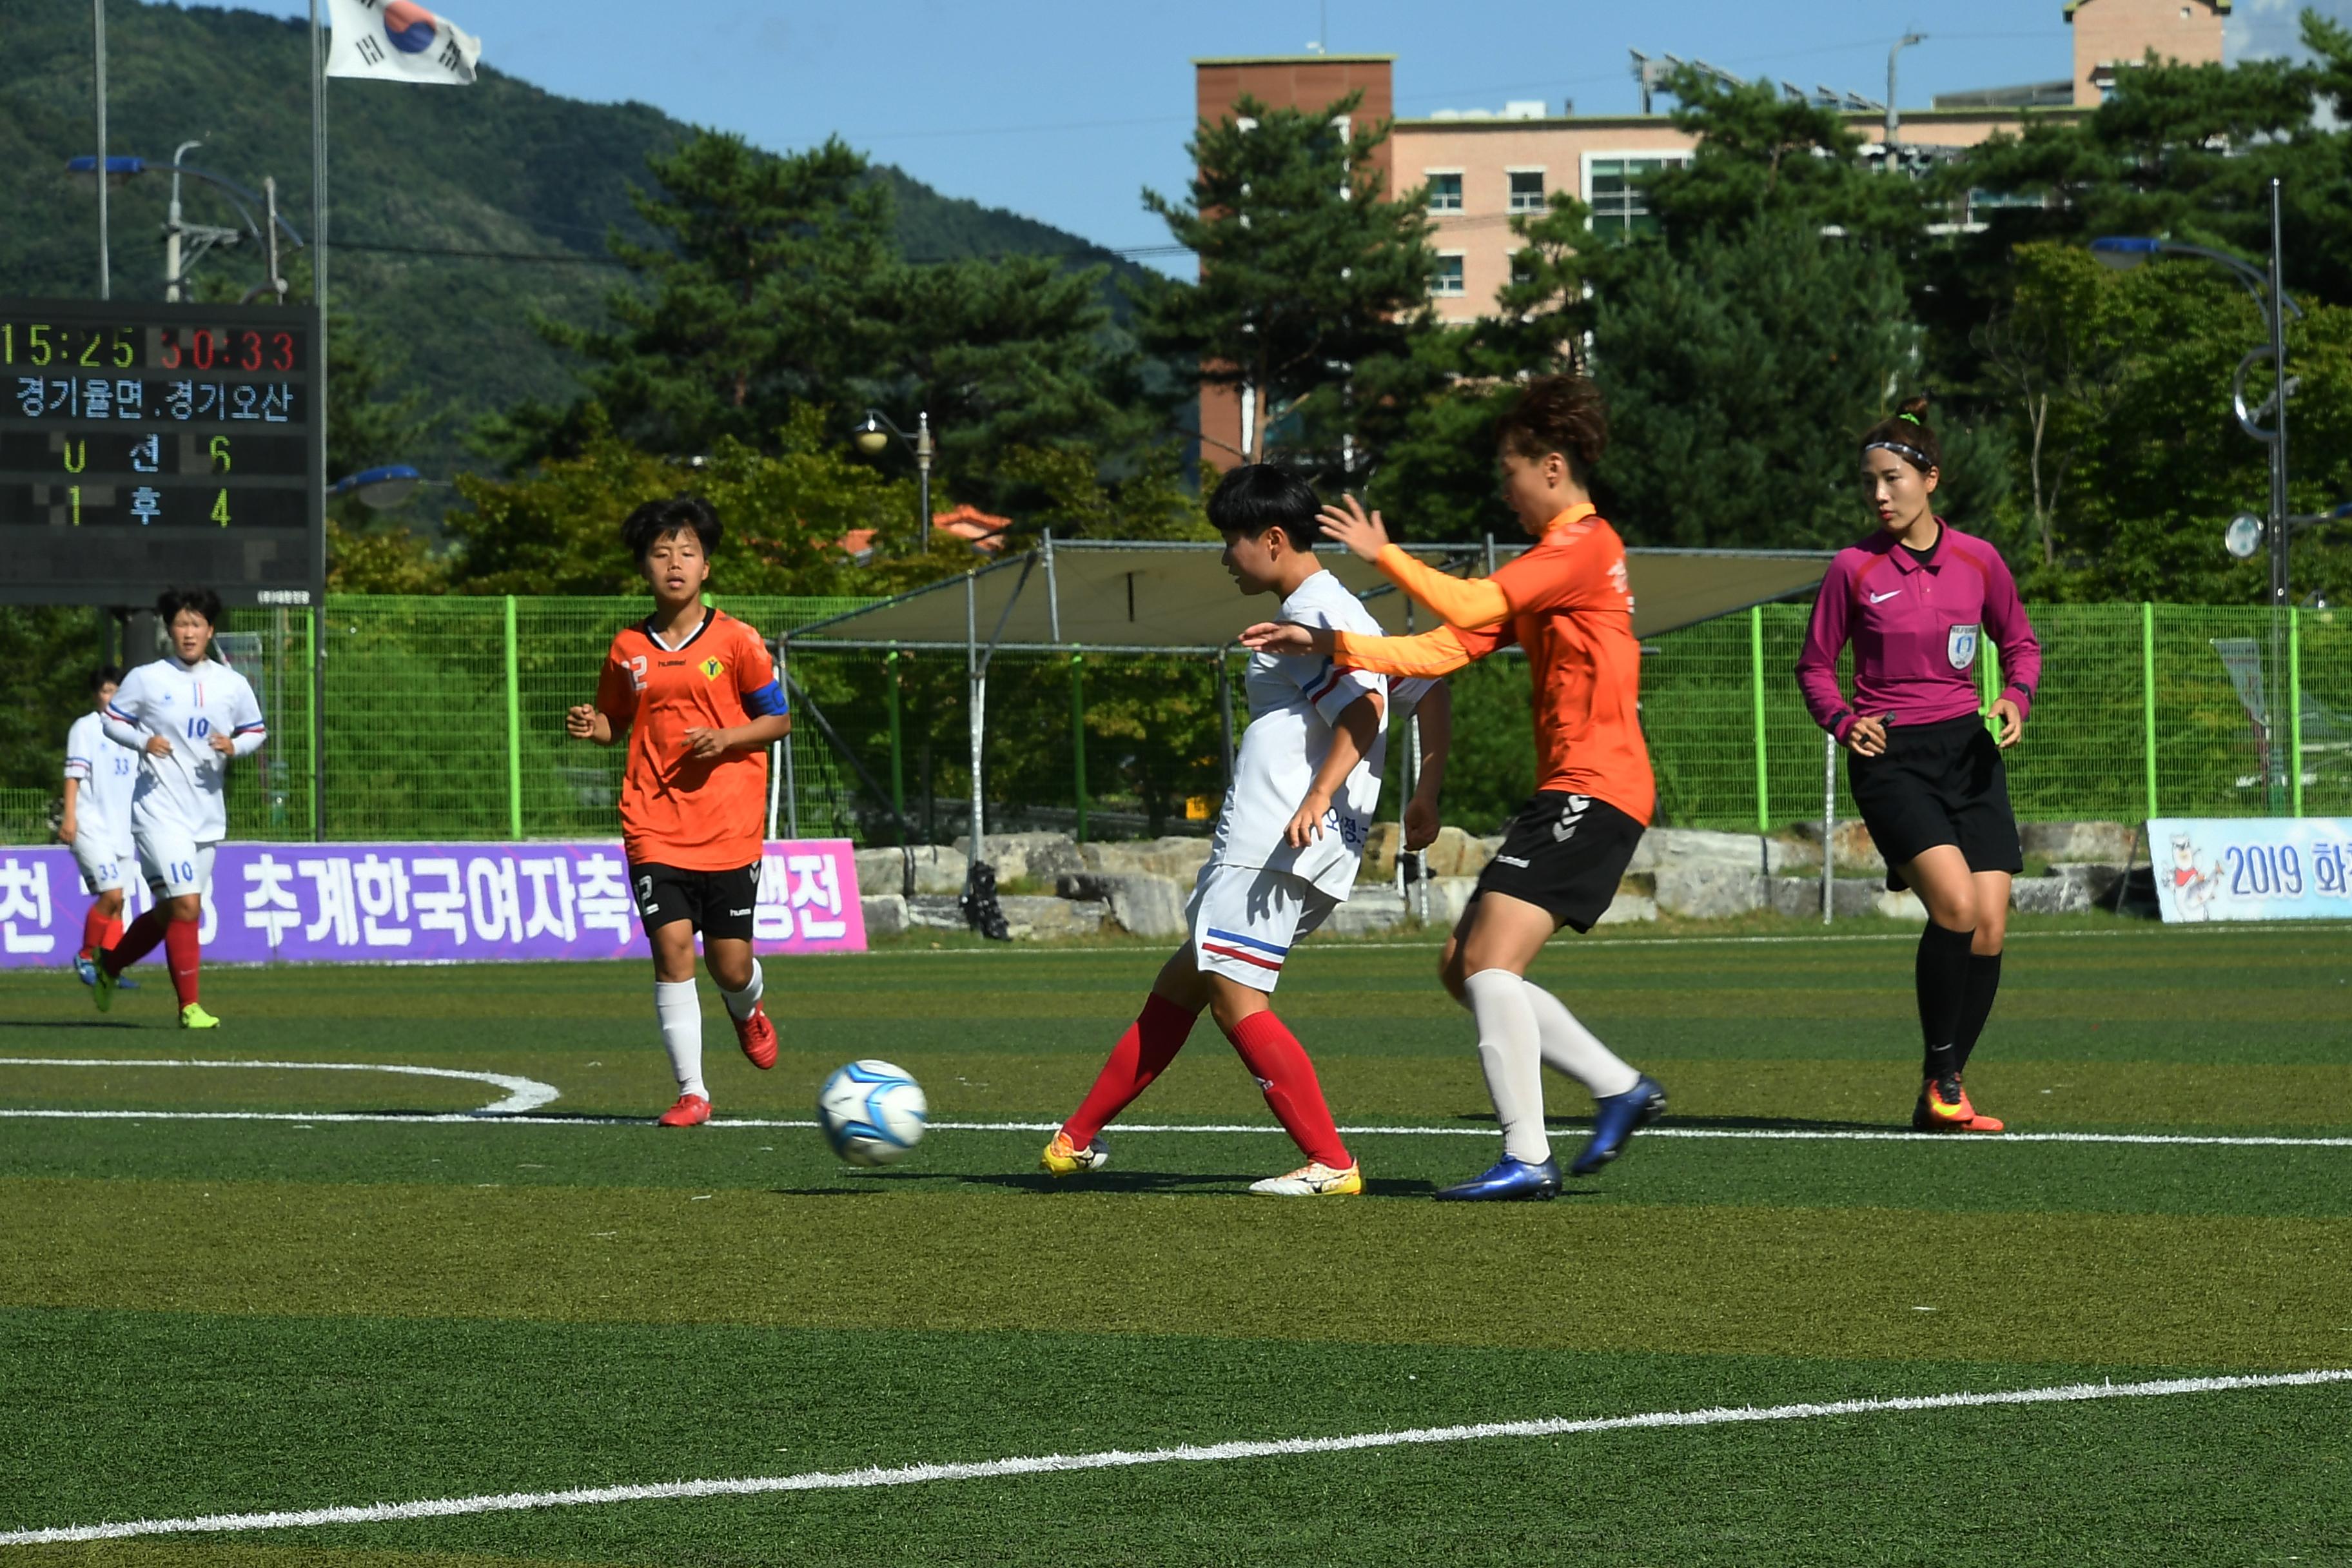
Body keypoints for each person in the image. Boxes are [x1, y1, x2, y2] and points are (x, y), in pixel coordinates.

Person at [1242, 374, 1665, 1201]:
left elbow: (1468, 600)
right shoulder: (1556, 561)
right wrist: (1329, 643)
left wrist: (1383, 555)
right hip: (1578, 786)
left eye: (1508, 474)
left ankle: (1530, 1153)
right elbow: (1442, 650)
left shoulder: (1582, 547)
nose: (1504, 493)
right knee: (1460, 964)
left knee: (1488, 965)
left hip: (1597, 784)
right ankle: (1616, 1087)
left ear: (1551, 467)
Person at [1039, 463, 1450, 1197]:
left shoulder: (1302, 622)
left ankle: (1332, 1162)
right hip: (1309, 837)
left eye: (1232, 539)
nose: (1225, 555)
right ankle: (1076, 1137)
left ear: (1272, 537)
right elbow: (1426, 687)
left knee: (1235, 997)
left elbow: (1363, 714)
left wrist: (1317, 793)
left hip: (1274, 836)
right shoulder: (1348, 609)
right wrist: (1426, 793)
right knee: (1185, 980)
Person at [1796, 397, 2039, 1134]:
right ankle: (1943, 1079)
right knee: (1957, 909)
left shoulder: (1980, 559)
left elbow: (2022, 645)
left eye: (1892, 478)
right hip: (1893, 759)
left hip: (1969, 752)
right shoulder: (1853, 568)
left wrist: (2014, 700)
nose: (1878, 495)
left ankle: (1943, 1089)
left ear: (1931, 478)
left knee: (1991, 928)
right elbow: (1814, 667)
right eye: (1869, 482)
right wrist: (1843, 720)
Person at [567, 496, 792, 1127]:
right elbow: (616, 720)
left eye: (686, 552)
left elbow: (778, 719)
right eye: (661, 552)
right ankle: (692, 1091)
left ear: (706, 567)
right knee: (672, 951)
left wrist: (728, 737)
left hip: (728, 825)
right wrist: (596, 726)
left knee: (731, 965)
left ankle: (746, 1009)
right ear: (644, 567)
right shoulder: (627, 646)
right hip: (653, 824)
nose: (674, 562)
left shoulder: (737, 639)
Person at [90, 589, 266, 1026]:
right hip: (157, 811)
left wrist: (235, 746)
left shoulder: (232, 683)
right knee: (188, 905)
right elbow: (113, 720)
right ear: (170, 629)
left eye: (197, 624)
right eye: (181, 624)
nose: (188, 633)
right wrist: (142, 740)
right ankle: (189, 1008)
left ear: (210, 630)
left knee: (171, 911)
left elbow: (256, 730)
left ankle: (108, 966)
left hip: (206, 815)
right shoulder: (149, 678)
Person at [61, 665, 140, 990]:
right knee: (112, 894)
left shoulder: (134, 730)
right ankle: (85, 955)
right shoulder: (87, 728)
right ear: (96, 696)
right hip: (91, 826)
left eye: (116, 691)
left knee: (119, 903)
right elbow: (73, 776)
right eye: (106, 691)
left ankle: (110, 966)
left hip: (123, 829)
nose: (111, 698)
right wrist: (70, 817)